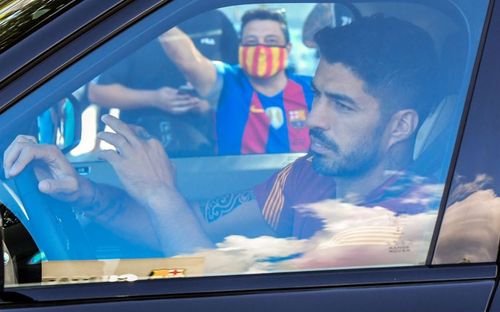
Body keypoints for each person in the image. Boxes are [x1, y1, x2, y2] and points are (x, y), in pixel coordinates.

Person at [3, 16, 439, 257]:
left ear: (401, 125)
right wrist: (84, 195)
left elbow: (220, 294)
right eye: (317, 95)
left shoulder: (399, 229)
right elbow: (181, 228)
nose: (314, 118)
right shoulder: (308, 176)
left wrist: (161, 193)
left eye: (342, 105)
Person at [159, 8, 313, 155]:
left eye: (271, 41)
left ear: (288, 48)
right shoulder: (226, 81)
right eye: (251, 42)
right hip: (239, 181)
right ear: (241, 47)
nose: (260, 49)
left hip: (304, 180)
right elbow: (188, 61)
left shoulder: (313, 89)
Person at [88, 9, 239, 157]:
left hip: (208, 147)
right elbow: (98, 93)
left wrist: (210, 103)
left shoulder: (216, 20)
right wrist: (154, 99)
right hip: (143, 148)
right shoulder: (137, 23)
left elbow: (241, 84)